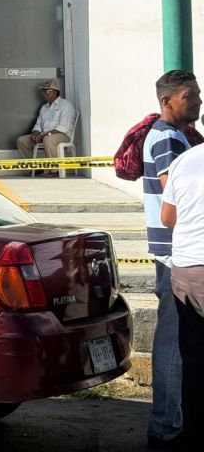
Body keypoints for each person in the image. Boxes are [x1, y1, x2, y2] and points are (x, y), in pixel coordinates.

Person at [143, 69, 201, 448]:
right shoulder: (167, 138)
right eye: (189, 96)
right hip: (174, 255)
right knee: (174, 342)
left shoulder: (173, 135)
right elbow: (176, 202)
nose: (198, 101)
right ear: (167, 102)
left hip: (175, 252)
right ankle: (166, 425)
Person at [161, 137, 204, 448]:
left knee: (195, 356)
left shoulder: (182, 161)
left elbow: (167, 218)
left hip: (187, 268)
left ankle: (193, 433)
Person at [16, 78, 77, 178]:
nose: (43, 93)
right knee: (22, 141)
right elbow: (38, 125)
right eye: (43, 91)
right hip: (44, 135)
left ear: (55, 92)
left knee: (48, 139)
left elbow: (63, 128)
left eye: (46, 91)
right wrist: (35, 133)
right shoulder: (44, 108)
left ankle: (54, 169)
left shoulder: (66, 105)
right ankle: (35, 168)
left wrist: (44, 135)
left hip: (63, 135)